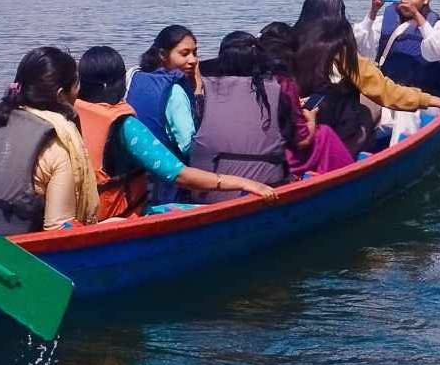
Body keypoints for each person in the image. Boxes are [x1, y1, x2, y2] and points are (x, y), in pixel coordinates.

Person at [75, 46, 276, 219]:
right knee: (209, 210)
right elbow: (180, 175)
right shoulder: (125, 126)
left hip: (84, 213)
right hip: (120, 216)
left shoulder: (72, 113)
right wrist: (247, 183)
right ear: (118, 83)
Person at [0, 46, 100, 234]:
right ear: (61, 95)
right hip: (14, 255)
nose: (79, 92)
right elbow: (58, 228)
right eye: (77, 85)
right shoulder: (56, 147)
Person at [292, 0, 440, 155]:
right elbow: (386, 92)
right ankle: (353, 152)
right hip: (333, 125)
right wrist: (435, 101)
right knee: (370, 108)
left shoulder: (289, 43)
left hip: (297, 123)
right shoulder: (340, 51)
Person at [188, 32, 297, 203]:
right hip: (269, 189)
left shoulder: (202, 92)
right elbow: (291, 139)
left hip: (208, 196)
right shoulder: (276, 91)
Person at [260, 21, 353, 175]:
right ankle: (345, 178)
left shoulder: (249, 77)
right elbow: (303, 141)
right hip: (279, 157)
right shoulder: (283, 83)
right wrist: (311, 116)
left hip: (254, 148)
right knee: (324, 134)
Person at [126, 25, 200, 204]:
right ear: (162, 55)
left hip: (140, 175)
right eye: (184, 54)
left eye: (195, 53)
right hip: (169, 181)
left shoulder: (135, 77)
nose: (193, 60)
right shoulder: (175, 92)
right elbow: (187, 145)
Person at [354, 0, 440, 96]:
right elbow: (362, 50)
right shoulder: (381, 22)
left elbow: (439, 52)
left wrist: (416, 15)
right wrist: (373, 12)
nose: (405, 0)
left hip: (425, 97)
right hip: (389, 96)